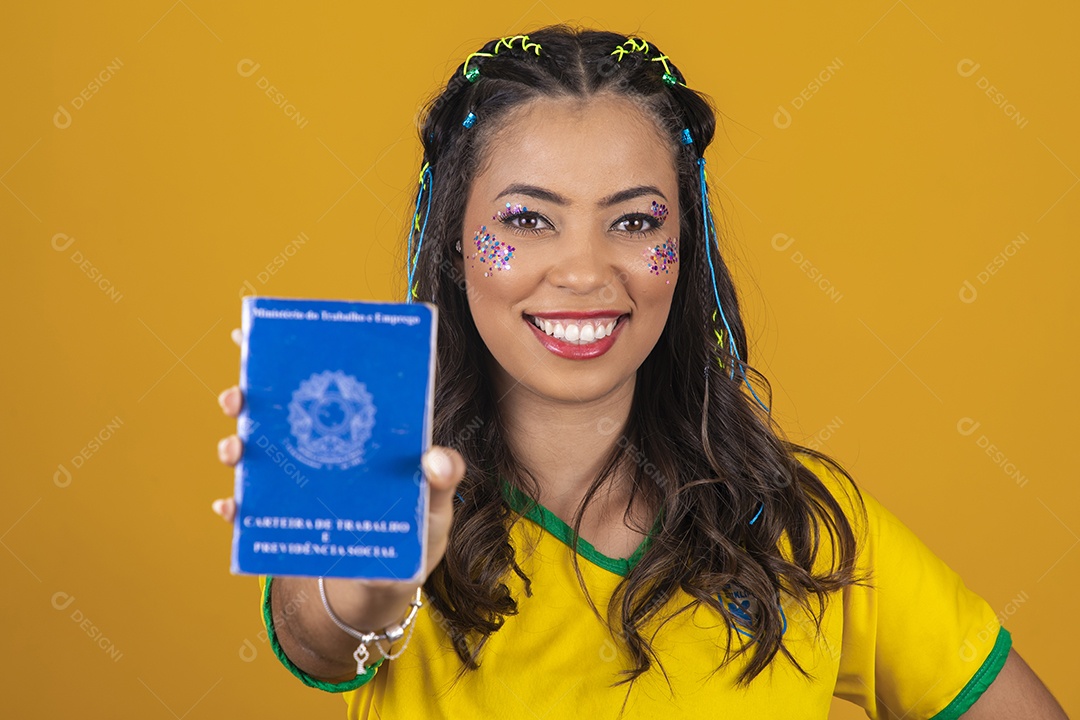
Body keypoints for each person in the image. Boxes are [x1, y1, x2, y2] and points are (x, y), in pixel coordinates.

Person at [212, 26, 1068, 719]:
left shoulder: (807, 528)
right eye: (528, 219)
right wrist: (367, 580)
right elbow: (320, 633)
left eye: (632, 221)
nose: (585, 271)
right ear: (452, 244)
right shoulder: (378, 477)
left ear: (682, 246)